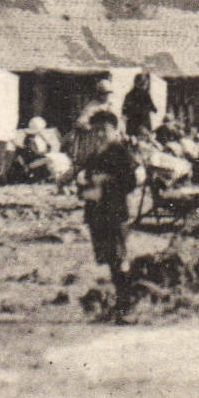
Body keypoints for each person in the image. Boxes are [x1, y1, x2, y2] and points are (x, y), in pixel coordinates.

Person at [75, 110, 141, 322]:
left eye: (104, 130)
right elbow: (85, 181)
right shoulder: (95, 155)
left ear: (115, 130)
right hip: (96, 213)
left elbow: (131, 181)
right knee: (108, 259)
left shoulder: (120, 152)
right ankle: (121, 304)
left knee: (118, 258)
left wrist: (105, 182)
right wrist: (85, 186)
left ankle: (127, 305)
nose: (100, 134)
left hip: (114, 212)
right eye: (96, 131)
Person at [120, 73, 158, 140]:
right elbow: (154, 109)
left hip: (132, 125)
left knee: (132, 142)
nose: (146, 86)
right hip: (144, 124)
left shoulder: (129, 95)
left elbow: (124, 111)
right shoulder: (145, 94)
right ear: (143, 84)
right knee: (145, 142)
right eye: (146, 84)